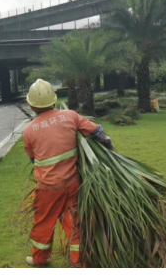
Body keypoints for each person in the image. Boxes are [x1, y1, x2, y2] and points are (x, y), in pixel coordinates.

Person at [22, 79, 113, 268]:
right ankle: (78, 262)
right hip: (73, 184)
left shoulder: (29, 130)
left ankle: (40, 259)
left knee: (43, 223)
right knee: (74, 223)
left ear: (31, 105)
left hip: (48, 189)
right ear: (53, 101)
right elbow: (99, 132)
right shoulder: (70, 116)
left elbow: (33, 159)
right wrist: (110, 154)